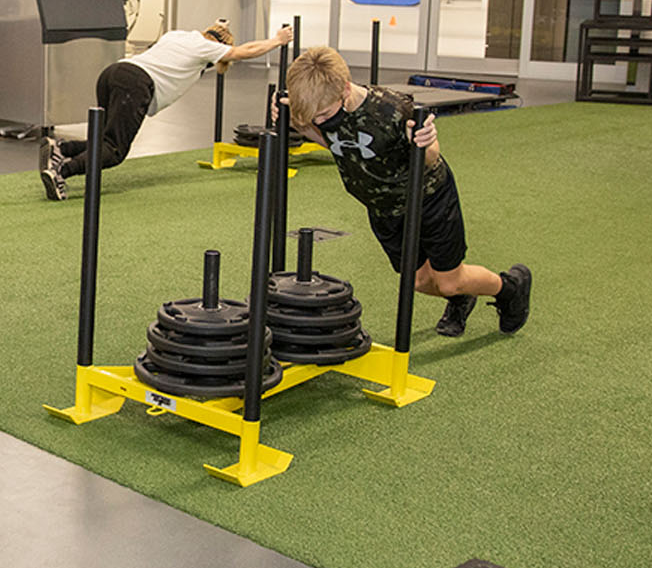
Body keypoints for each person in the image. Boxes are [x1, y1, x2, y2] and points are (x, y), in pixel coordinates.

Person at [284, 46, 531, 336]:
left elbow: (432, 156)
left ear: (345, 89)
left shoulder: (391, 109)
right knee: (418, 282)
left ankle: (510, 288)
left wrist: (426, 141)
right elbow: (337, 143)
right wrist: (293, 119)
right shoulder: (318, 110)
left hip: (429, 198)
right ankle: (462, 298)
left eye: (324, 114)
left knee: (449, 281)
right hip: (384, 208)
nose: (320, 122)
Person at [39, 19, 293, 200]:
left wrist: (218, 28)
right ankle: (61, 171)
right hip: (136, 85)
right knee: (114, 150)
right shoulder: (206, 48)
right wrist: (276, 41)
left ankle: (61, 148)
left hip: (113, 72)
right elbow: (243, 52)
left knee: (105, 135)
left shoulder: (178, 36)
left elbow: (196, 60)